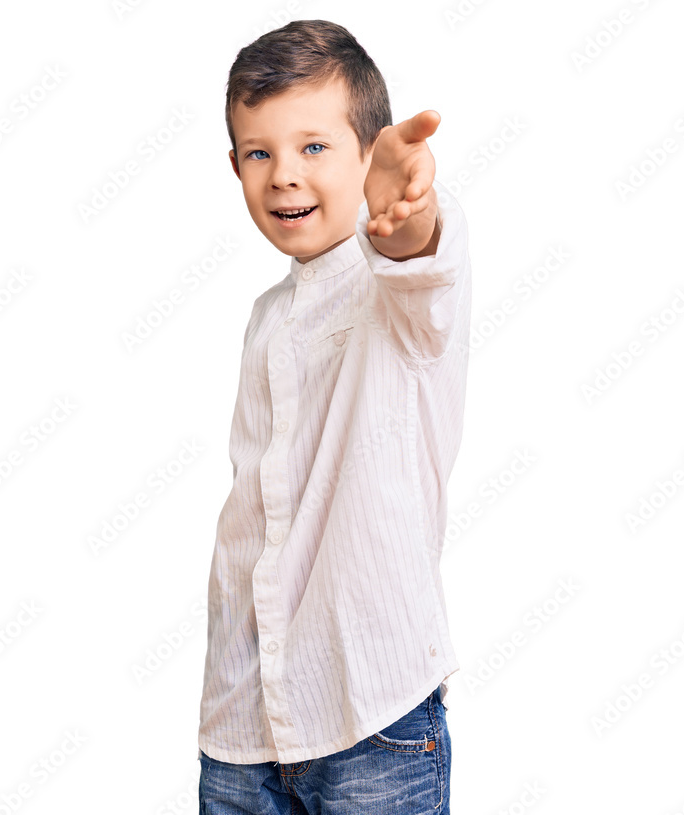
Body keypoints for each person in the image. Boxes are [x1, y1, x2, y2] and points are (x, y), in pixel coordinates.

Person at [197, 19, 472, 814]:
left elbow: (423, 255)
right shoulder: (266, 317)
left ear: (370, 153)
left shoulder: (397, 289)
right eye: (260, 152)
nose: (284, 175)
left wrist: (408, 213)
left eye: (314, 147)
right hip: (243, 724)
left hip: (371, 719)